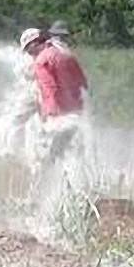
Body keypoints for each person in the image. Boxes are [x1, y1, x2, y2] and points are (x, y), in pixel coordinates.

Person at [19, 27, 90, 175]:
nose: (30, 55)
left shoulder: (42, 61)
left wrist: (48, 113)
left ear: (34, 44)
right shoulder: (66, 55)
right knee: (77, 156)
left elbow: (49, 88)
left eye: (29, 51)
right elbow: (82, 82)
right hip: (77, 113)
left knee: (43, 152)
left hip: (59, 116)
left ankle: (42, 183)